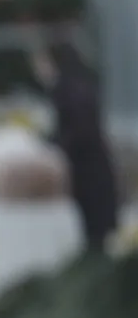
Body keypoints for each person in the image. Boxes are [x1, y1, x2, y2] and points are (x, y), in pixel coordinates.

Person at [31, 40, 120, 256]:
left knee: (96, 234)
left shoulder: (69, 89)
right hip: (91, 170)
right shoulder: (76, 85)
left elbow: (79, 130)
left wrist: (56, 145)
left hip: (88, 172)